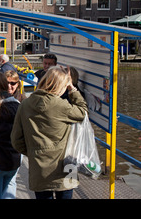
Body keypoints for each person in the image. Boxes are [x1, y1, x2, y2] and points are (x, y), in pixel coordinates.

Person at [11, 66, 88, 199]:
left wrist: (33, 152)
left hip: (39, 168)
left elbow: (16, 139)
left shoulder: (25, 104)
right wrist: (72, 89)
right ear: (60, 86)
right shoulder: (62, 105)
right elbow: (83, 111)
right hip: (65, 166)